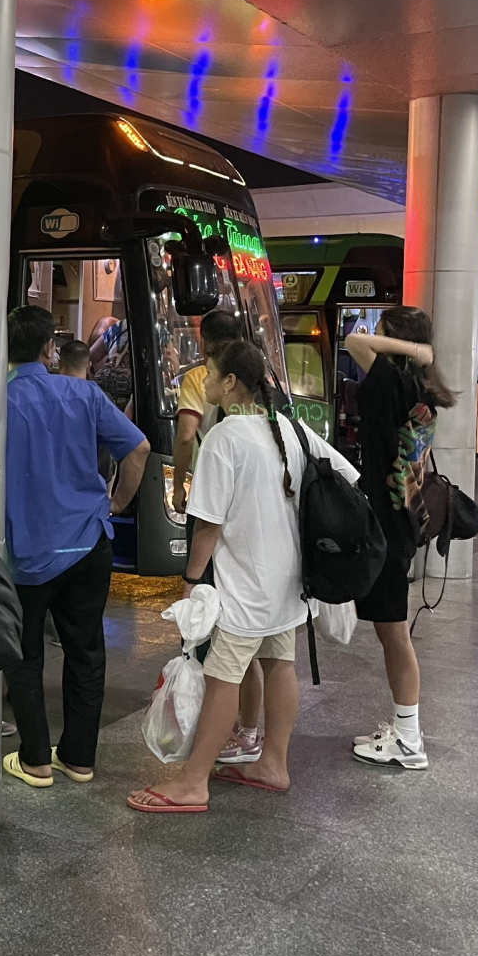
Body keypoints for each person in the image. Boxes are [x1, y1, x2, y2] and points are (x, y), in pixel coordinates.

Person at [127, 340, 359, 813]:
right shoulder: (290, 428)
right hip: (290, 585)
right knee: (279, 665)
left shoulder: (226, 438)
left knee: (221, 677)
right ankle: (273, 763)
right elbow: (347, 477)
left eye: (210, 372)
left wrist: (191, 581)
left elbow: (209, 523)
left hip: (244, 588)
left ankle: (193, 783)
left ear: (230, 382)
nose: (205, 380)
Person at [3, 305, 150, 787]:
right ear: (51, 348)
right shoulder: (84, 393)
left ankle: (35, 760)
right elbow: (138, 449)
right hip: (88, 542)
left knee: (23, 654)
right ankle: (79, 759)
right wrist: (117, 504)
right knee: (85, 650)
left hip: (25, 552)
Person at [344, 307, 455, 770]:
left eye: (382, 331)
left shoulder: (393, 381)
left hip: (388, 527)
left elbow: (353, 342)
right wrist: (418, 352)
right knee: (392, 631)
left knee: (393, 634)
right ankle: (404, 727)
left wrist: (413, 350)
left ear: (397, 340)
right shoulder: (419, 389)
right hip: (402, 520)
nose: (374, 336)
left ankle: (409, 740)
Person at [171, 309, 264, 768]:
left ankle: (208, 743)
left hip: (219, 516)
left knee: (217, 639)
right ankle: (250, 731)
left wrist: (176, 483)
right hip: (262, 535)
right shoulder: (266, 393)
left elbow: (187, 434)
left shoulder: (218, 422)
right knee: (264, 649)